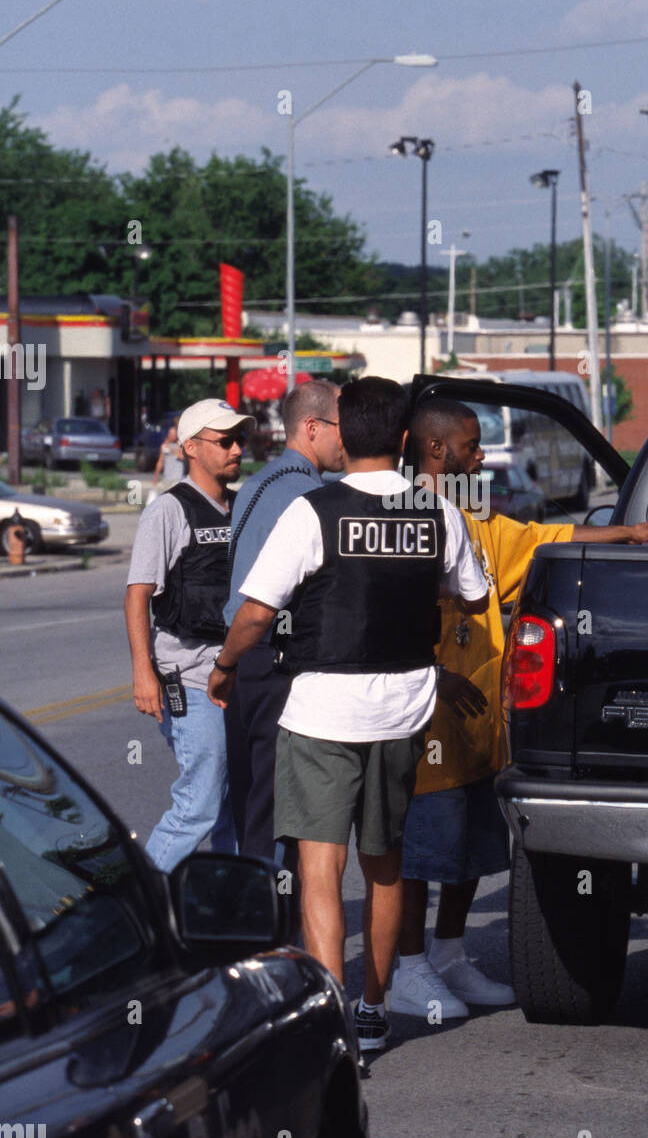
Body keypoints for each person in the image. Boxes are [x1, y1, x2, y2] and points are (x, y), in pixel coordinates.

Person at [207, 377, 489, 1054]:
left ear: (342, 431)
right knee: (384, 863)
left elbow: (254, 612)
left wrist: (222, 666)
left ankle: (332, 1018)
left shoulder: (312, 511)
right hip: (403, 711)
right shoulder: (437, 514)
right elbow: (474, 597)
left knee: (319, 869)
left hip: (321, 711)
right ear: (399, 440)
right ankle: (372, 1007)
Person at [391, 399, 648, 1017]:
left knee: (465, 850)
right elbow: (381, 614)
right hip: (423, 721)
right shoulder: (401, 518)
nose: (481, 454)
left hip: (478, 725)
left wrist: (626, 533)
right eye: (471, 444)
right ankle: (406, 970)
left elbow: (546, 538)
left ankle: (449, 957)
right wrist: (429, 675)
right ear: (436, 451)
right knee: (418, 854)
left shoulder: (475, 518)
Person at [124, 397, 254, 872]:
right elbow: (137, 595)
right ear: (191, 448)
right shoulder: (167, 511)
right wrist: (144, 673)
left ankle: (229, 908)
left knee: (232, 807)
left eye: (241, 438)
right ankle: (141, 901)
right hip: (187, 678)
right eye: (225, 440)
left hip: (236, 677)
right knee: (200, 802)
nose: (237, 448)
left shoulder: (243, 508)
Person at [223, 379, 343, 864]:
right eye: (342, 426)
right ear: (312, 427)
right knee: (285, 820)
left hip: (242, 668)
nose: (348, 438)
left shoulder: (255, 484)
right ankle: (274, 930)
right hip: (278, 668)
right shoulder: (311, 500)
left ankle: (252, 925)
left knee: (250, 814)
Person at [152, 417, 186, 489]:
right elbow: (160, 462)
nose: (171, 436)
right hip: (167, 477)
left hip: (177, 478)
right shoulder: (164, 446)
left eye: (173, 434)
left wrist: (171, 449)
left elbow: (182, 457)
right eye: (170, 434)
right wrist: (156, 476)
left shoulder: (180, 444)